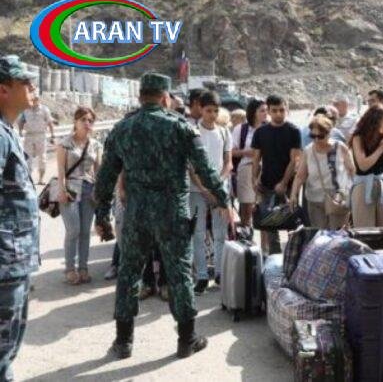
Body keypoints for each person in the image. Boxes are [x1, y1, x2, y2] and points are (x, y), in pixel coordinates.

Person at [94, 73, 230, 360]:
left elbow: (105, 177)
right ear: (165, 98)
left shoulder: (122, 129)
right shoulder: (180, 127)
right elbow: (204, 169)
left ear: (140, 96)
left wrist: (102, 215)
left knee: (129, 273)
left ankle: (123, 342)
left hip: (136, 214)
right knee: (179, 273)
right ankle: (187, 339)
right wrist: (223, 199)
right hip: (172, 212)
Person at [0, 55, 40, 381]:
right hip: (4, 263)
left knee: (8, 347)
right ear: (3, 89)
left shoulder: (8, 131)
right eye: (25, 82)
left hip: (14, 261)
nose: (32, 87)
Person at [188, 91, 232, 294]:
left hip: (220, 190)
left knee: (220, 233)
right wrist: (205, 189)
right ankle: (202, 276)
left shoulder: (224, 132)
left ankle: (220, 274)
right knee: (197, 234)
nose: (212, 115)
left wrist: (218, 185)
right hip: (197, 190)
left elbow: (228, 162)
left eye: (215, 111)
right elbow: (191, 167)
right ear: (200, 109)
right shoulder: (193, 132)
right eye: (208, 110)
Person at [250, 95, 302, 254]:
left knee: (292, 226)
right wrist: (254, 180)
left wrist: (284, 183)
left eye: (281, 110)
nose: (279, 113)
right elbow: (256, 158)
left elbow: (294, 160)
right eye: (274, 110)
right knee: (271, 227)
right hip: (266, 184)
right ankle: (274, 261)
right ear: (269, 111)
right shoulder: (260, 132)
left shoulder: (293, 131)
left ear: (286, 109)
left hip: (289, 186)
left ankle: (292, 259)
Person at [57, 107, 102, 285]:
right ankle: (70, 268)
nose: (87, 123)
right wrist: (62, 190)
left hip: (89, 190)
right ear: (75, 122)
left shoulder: (96, 145)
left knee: (85, 232)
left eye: (90, 120)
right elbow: (61, 170)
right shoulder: (65, 143)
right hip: (70, 189)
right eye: (83, 119)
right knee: (73, 229)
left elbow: (98, 170)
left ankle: (83, 268)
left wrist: (98, 191)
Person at [290, 115, 355, 229]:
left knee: (337, 234)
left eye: (320, 136)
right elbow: (300, 176)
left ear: (329, 133)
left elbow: (352, 170)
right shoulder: (308, 151)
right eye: (312, 136)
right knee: (319, 234)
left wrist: (350, 193)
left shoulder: (340, 148)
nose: (316, 140)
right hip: (315, 200)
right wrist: (294, 194)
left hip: (338, 198)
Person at [350, 106, 383, 227]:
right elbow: (363, 165)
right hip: (363, 187)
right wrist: (381, 148)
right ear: (374, 121)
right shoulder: (358, 138)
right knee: (365, 230)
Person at [231, 99, 266, 227]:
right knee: (246, 207)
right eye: (262, 111)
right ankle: (246, 233)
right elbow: (231, 152)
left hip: (265, 170)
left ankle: (264, 239)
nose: (265, 113)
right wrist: (248, 152)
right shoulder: (240, 129)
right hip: (246, 168)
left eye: (266, 110)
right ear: (253, 112)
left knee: (264, 208)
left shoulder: (269, 129)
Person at [18, 95, 54, 184]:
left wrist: (52, 134)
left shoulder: (44, 110)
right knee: (28, 158)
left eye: (36, 99)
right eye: (33, 99)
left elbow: (50, 122)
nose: (35, 101)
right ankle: (28, 178)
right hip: (29, 135)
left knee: (42, 158)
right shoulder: (25, 110)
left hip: (41, 135)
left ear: (39, 100)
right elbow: (21, 121)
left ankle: (41, 179)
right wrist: (20, 131)